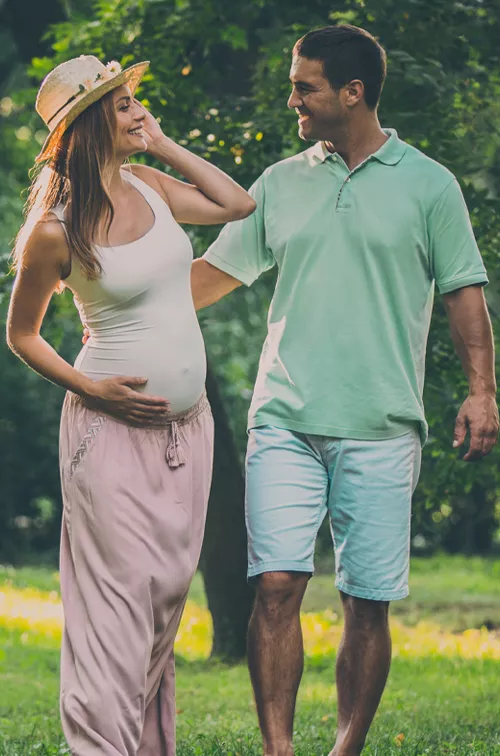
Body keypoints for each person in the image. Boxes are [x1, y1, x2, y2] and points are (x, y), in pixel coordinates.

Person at [188, 24, 499, 756]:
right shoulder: (278, 182)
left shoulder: (429, 185)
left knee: (366, 603)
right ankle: (279, 750)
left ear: (352, 93)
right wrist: (118, 306)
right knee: (275, 588)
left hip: (383, 425)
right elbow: (212, 278)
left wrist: (482, 390)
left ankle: (345, 749)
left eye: (305, 85)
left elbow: (464, 294)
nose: (291, 97)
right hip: (284, 418)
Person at [6, 54, 255, 754]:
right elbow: (21, 334)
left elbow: (238, 204)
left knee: (162, 604)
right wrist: (92, 388)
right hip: (108, 434)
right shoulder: (55, 229)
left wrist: (164, 144)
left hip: (187, 434)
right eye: (121, 105)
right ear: (86, 126)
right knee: (116, 605)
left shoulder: (150, 182)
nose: (135, 111)